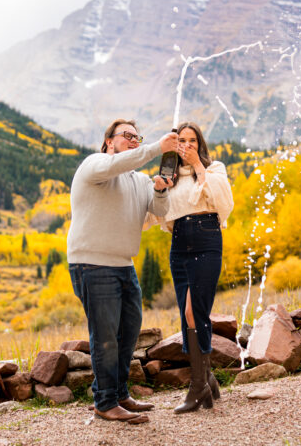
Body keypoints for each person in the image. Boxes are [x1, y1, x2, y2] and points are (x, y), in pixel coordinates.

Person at [67, 119, 177, 423]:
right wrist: (157, 147)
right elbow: (119, 163)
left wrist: (160, 189)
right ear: (108, 141)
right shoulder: (96, 165)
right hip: (91, 263)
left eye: (136, 137)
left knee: (128, 333)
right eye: (126, 135)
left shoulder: (139, 180)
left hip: (123, 264)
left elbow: (161, 211)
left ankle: (117, 393)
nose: (132, 140)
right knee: (105, 336)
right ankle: (104, 402)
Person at [154, 121, 233, 414]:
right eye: (181, 141)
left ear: (199, 144)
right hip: (178, 245)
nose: (186, 145)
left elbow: (224, 202)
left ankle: (197, 385)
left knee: (194, 311)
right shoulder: (170, 177)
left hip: (206, 239)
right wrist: (160, 189)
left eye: (192, 140)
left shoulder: (214, 170)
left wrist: (198, 165)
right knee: (187, 314)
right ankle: (206, 378)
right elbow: (157, 214)